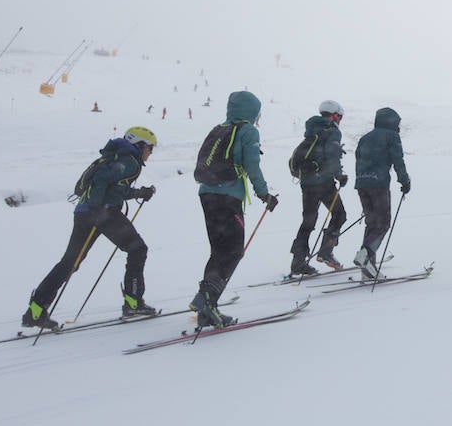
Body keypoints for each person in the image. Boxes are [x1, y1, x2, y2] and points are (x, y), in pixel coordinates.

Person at [21, 126, 159, 330]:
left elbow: (114, 188)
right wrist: (99, 206)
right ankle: (133, 303)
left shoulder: (114, 157)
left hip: (84, 212)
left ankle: (36, 309)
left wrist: (138, 193)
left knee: (70, 262)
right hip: (103, 213)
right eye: (150, 148)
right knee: (138, 249)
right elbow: (104, 180)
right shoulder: (129, 161)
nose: (151, 152)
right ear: (139, 145)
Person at [189, 91, 277, 328]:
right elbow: (252, 165)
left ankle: (207, 306)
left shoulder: (218, 129)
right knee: (234, 250)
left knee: (219, 250)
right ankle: (207, 299)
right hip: (228, 196)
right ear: (252, 111)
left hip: (207, 194)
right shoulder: (248, 131)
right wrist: (264, 194)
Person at [289, 100, 349, 274]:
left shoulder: (312, 130)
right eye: (340, 117)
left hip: (306, 182)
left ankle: (298, 262)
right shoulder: (332, 131)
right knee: (339, 214)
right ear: (335, 115)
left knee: (308, 222)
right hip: (323, 181)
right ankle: (326, 252)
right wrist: (339, 175)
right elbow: (332, 155)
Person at [353, 107, 411, 279]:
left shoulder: (364, 138)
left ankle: (367, 268)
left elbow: (358, 159)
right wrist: (404, 180)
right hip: (379, 185)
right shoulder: (391, 136)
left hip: (362, 184)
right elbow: (398, 159)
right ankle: (365, 256)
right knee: (383, 223)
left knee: (371, 224)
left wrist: (362, 179)